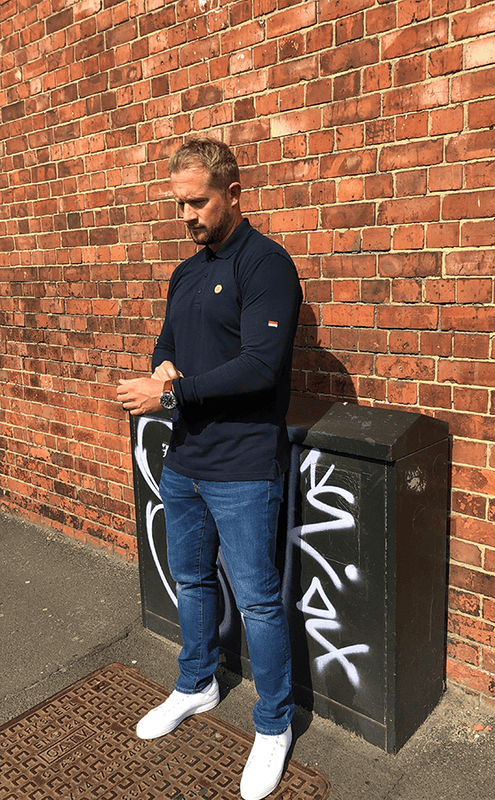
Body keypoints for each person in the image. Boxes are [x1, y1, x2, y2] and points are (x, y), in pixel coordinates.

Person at [117, 138, 302, 800]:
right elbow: (169, 343)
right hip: (186, 459)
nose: (188, 215)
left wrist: (169, 394)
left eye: (198, 201)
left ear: (233, 195)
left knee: (257, 599)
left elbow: (260, 365)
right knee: (191, 579)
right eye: (179, 204)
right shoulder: (186, 274)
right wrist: (163, 363)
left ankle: (274, 726)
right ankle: (196, 684)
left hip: (245, 465)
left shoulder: (267, 265)